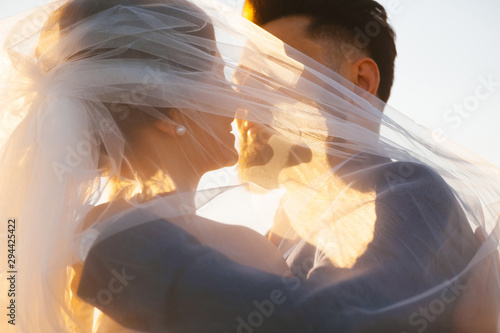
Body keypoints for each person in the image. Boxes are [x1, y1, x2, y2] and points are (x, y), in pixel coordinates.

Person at [74, 1, 500, 333]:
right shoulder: (275, 233)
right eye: (240, 81)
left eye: (271, 76)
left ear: (359, 84)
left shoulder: (407, 190)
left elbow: (344, 322)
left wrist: (120, 248)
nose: (242, 103)